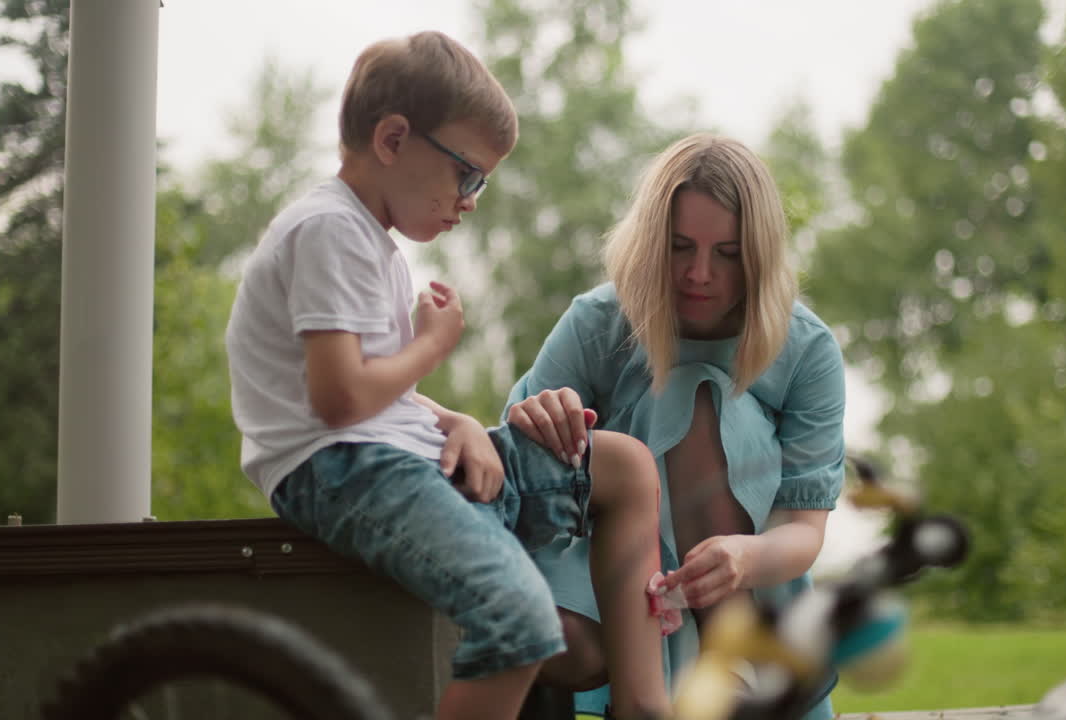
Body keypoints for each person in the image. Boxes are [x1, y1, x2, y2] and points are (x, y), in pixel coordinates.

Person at [224, 31, 670, 720]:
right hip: (346, 472)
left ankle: (642, 708)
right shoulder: (327, 232)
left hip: (395, 456)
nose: (471, 199)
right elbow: (339, 398)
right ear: (394, 140)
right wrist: (432, 346)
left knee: (620, 464)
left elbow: (371, 388)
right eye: (469, 174)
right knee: (520, 621)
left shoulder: (369, 241)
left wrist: (456, 421)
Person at [505, 134, 845, 719]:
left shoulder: (807, 350)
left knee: (694, 393)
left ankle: (726, 668)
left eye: (729, 253)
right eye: (680, 246)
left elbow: (804, 533)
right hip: (617, 585)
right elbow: (513, 467)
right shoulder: (597, 324)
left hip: (747, 591)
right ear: (651, 241)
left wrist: (741, 556)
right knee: (532, 625)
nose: (699, 274)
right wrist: (538, 419)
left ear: (759, 252)